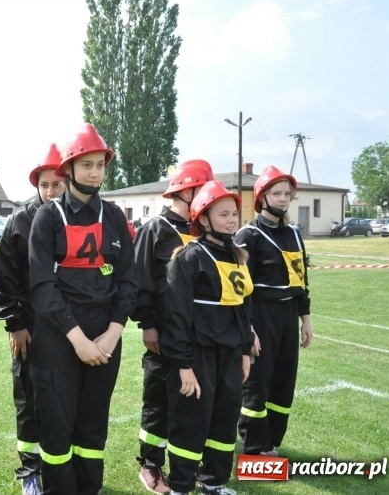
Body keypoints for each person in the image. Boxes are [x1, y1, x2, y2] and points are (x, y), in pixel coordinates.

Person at [28, 124, 137, 494]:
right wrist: (76, 338)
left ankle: (89, 488)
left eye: (100, 165)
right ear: (69, 170)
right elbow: (42, 287)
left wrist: (113, 332)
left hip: (106, 333)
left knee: (93, 424)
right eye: (86, 164)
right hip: (59, 335)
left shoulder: (116, 217)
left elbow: (128, 280)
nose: (94, 172)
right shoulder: (48, 217)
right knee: (58, 424)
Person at [160, 180, 254, 495]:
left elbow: (243, 309)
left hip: (229, 356)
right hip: (197, 356)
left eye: (234, 215)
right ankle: (181, 486)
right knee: (191, 421)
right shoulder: (188, 259)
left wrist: (244, 352)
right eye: (223, 214)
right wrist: (183, 366)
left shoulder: (238, 257)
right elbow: (175, 318)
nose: (231, 220)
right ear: (203, 219)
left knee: (224, 419)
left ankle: (214, 481)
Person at [131, 160, 214, 494]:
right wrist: (148, 325)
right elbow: (140, 282)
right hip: (163, 333)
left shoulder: (202, 231)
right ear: (186, 190)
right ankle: (150, 465)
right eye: (203, 190)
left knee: (190, 400)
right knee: (159, 400)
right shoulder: (157, 229)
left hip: (197, 334)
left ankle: (187, 464)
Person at [0, 142, 65, 495]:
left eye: (58, 184)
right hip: (32, 326)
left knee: (64, 400)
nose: (51, 191)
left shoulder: (81, 218)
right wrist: (16, 325)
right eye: (45, 184)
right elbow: (4, 277)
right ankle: (30, 470)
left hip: (71, 326)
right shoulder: (21, 219)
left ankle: (60, 468)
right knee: (30, 399)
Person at [235, 165, 313, 457]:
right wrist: (249, 328)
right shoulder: (248, 235)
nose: (282, 199)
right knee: (258, 383)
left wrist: (305, 320)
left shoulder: (294, 235)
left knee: (283, 381)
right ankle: (255, 447)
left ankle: (273, 443)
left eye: (287, 194)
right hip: (261, 317)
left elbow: (302, 281)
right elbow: (241, 289)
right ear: (262, 197)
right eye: (276, 193)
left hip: (287, 317)